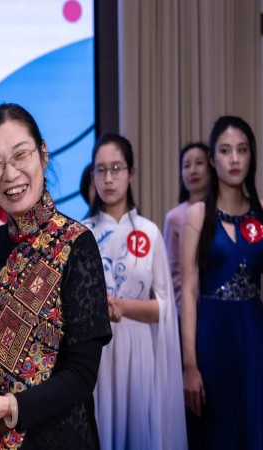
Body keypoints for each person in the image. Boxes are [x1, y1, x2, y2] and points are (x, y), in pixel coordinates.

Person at [0, 103, 112, 449]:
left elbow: (82, 375)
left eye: (20, 155)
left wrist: (8, 407)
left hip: (60, 438)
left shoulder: (77, 244)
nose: (10, 174)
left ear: (43, 155)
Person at [84, 133, 186, 450]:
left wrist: (122, 307)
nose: (108, 178)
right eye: (101, 170)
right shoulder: (82, 233)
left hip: (140, 349)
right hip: (98, 353)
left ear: (131, 173)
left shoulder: (149, 232)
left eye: (116, 168)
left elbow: (165, 307)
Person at [181, 116, 263, 449]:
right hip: (212, 338)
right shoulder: (197, 215)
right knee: (216, 435)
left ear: (251, 156)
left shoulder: (261, 215)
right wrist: (189, 365)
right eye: (226, 151)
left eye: (242, 150)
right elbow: (188, 291)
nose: (234, 159)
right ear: (213, 160)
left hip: (254, 336)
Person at [163, 143, 209, 316]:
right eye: (187, 165)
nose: (193, 170)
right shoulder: (175, 217)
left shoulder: (222, 212)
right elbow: (172, 272)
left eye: (199, 163)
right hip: (187, 310)